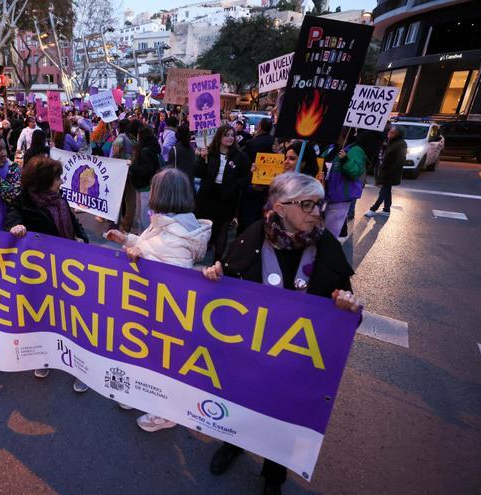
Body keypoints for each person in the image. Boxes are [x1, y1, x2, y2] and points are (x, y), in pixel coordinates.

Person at [203, 172, 361, 495]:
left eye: (319, 204)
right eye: (307, 204)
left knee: (283, 418)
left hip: (293, 361)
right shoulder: (252, 236)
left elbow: (347, 316)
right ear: (280, 207)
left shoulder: (327, 246)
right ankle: (233, 444)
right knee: (242, 403)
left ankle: (273, 477)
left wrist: (347, 306)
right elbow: (227, 284)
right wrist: (215, 275)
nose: (317, 212)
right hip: (248, 355)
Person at [105, 168, 212, 429]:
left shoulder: (177, 235)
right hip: (148, 308)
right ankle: (142, 394)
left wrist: (139, 257)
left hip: (164, 315)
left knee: (164, 362)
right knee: (147, 354)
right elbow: (152, 247)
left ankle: (166, 414)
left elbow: (174, 282)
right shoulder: (167, 223)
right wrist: (128, 239)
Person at [14, 156, 90, 391]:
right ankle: (43, 358)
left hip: (69, 270)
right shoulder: (23, 203)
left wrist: (82, 238)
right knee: (45, 317)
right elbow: (11, 221)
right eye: (57, 177)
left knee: (74, 320)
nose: (61, 181)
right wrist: (16, 228)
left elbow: (74, 223)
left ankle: (82, 368)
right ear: (43, 180)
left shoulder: (60, 199)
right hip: (42, 274)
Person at [194, 124, 249, 263]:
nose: (230, 138)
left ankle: (217, 261)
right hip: (207, 196)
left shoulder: (240, 156)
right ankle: (200, 256)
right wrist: (201, 159)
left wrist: (234, 186)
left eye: (232, 135)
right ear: (219, 137)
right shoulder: (209, 153)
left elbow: (245, 178)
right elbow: (198, 172)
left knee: (223, 228)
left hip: (227, 198)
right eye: (226, 135)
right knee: (205, 227)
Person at [324, 134, 367, 237]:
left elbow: (354, 172)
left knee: (330, 235)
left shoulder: (355, 150)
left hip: (339, 196)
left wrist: (344, 159)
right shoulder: (332, 146)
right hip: (327, 194)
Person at [239, 118, 276, 234]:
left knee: (247, 216)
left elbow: (243, 161)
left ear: (259, 127)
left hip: (252, 182)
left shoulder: (251, 143)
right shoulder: (275, 143)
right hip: (271, 184)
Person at [365, 127, 406, 217]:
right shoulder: (391, 142)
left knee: (383, 191)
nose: (389, 132)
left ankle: (373, 209)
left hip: (390, 173)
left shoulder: (401, 144)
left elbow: (399, 161)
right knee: (387, 191)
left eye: (392, 131)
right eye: (390, 130)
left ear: (397, 134)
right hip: (385, 171)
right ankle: (386, 210)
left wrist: (388, 172)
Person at [129, 126, 164, 232]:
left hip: (145, 187)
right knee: (142, 214)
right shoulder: (152, 148)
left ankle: (145, 236)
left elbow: (146, 171)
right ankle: (142, 236)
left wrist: (132, 166)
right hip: (146, 186)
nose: (137, 137)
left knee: (144, 216)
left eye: (139, 135)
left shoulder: (145, 151)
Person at [166, 122, 197, 190]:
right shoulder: (191, 149)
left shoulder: (174, 149)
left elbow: (170, 170)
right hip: (190, 185)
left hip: (177, 186)